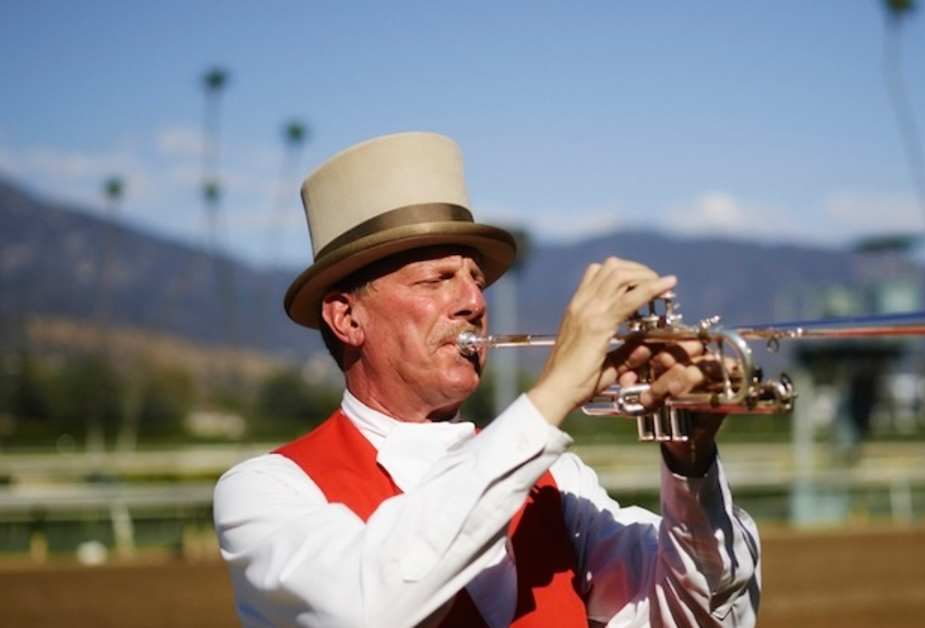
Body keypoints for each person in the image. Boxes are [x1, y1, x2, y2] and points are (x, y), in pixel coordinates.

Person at [213, 132, 761, 627]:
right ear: (346, 317)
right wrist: (553, 395)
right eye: (437, 280)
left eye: (476, 280)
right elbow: (365, 606)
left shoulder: (558, 482)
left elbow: (707, 617)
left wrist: (690, 463)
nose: (474, 302)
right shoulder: (265, 491)